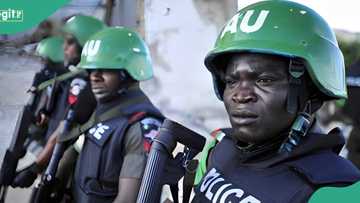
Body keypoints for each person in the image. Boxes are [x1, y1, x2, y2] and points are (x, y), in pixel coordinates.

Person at [192, 1, 360, 202]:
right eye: (231, 81)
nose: (240, 95)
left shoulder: (337, 190)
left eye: (264, 80)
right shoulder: (217, 147)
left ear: (313, 93)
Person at [11, 15, 104, 189]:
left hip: (66, 166)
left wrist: (34, 168)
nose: (64, 47)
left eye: (69, 43)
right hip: (54, 157)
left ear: (85, 48)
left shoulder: (82, 83)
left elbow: (66, 127)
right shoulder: (73, 78)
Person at [71, 27, 164, 203]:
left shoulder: (141, 125)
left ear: (129, 73)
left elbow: (127, 199)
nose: (94, 77)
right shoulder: (104, 110)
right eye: (91, 69)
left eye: (105, 68)